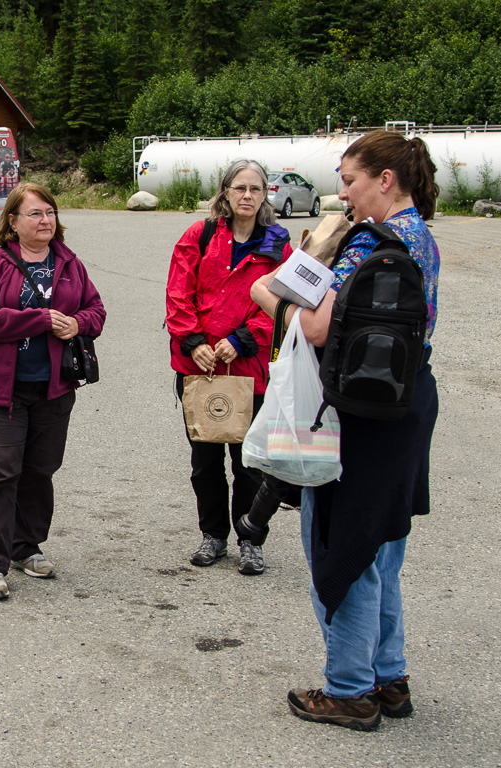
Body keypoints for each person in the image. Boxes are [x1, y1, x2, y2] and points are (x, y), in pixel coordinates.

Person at [250, 130, 440, 730]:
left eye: (350, 179)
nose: (343, 191)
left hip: (355, 415)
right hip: (407, 403)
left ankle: (350, 689)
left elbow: (315, 329)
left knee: (344, 547)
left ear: (385, 180)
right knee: (382, 544)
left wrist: (269, 294)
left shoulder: (368, 245)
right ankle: (389, 679)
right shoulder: (422, 238)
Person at [0, 182, 106, 600]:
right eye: (35, 214)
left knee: (40, 471)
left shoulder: (70, 263)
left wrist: (78, 324)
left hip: (55, 387)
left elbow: (96, 310)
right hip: (1, 389)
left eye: (50, 213)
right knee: (0, 472)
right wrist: (37, 320)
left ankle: (27, 546)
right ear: (12, 222)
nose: (45, 221)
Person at [165, 159, 292, 575]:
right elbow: (178, 293)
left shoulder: (277, 244)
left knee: (248, 463)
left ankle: (250, 539)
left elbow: (284, 301)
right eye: (240, 188)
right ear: (225, 192)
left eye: (256, 189)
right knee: (205, 462)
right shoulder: (198, 237)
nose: (247, 196)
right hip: (199, 368)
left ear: (265, 195)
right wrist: (195, 342)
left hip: (248, 368)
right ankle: (214, 536)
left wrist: (242, 340)